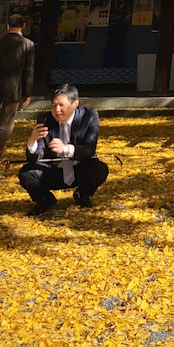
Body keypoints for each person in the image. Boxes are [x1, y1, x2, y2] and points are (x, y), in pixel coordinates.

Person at [19, 85, 108, 216]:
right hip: (53, 171)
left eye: (61, 105)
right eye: (54, 105)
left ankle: (83, 194)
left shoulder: (89, 116)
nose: (57, 110)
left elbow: (89, 149)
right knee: (26, 173)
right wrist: (32, 141)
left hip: (79, 168)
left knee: (100, 168)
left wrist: (65, 149)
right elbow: (33, 159)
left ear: (75, 104)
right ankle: (45, 199)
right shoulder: (45, 120)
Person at [0, 13, 35, 163]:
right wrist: (27, 92)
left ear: (7, 26)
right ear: (24, 26)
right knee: (6, 122)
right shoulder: (28, 44)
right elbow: (28, 70)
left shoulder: (1, 41)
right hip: (13, 88)